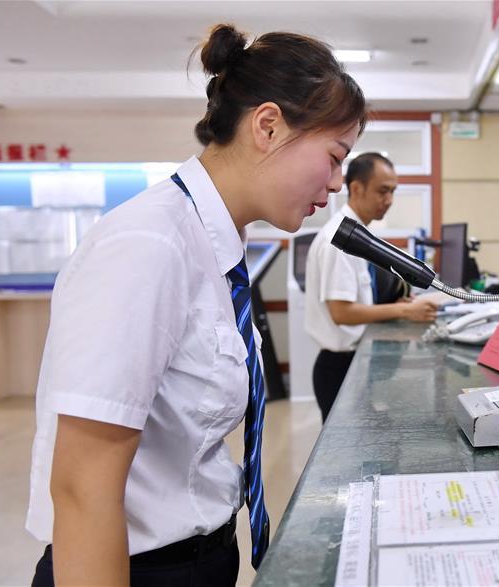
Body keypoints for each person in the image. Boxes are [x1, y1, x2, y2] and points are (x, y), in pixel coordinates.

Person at [27, 24, 367, 586]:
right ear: (267, 125)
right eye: (334, 157)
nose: (335, 183)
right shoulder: (150, 244)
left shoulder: (218, 247)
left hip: (200, 558)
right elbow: (83, 488)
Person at [305, 152, 438, 422]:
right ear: (356, 188)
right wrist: (405, 311)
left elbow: (359, 300)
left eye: (392, 192)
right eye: (382, 191)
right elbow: (341, 313)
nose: (389, 200)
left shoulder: (357, 234)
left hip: (354, 362)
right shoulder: (339, 240)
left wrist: (395, 306)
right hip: (338, 366)